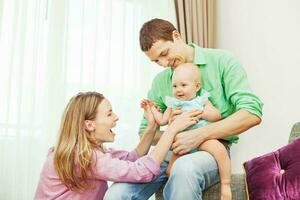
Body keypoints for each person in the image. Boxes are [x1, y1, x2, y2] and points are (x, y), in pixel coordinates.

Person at [104, 18, 263, 200]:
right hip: (172, 150)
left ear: (176, 36)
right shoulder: (161, 81)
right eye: (156, 61)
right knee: (117, 192)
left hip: (211, 149)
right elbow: (146, 134)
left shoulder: (222, 61)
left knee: (183, 169)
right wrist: (168, 130)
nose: (163, 64)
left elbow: (252, 112)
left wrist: (199, 135)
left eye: (165, 53)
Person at [34, 91, 202, 200]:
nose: (116, 117)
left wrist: (151, 128)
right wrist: (171, 130)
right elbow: (141, 171)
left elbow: (131, 158)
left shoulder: (84, 151)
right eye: (109, 114)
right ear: (89, 125)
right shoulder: (84, 157)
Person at [144, 63, 232, 199]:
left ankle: (226, 185)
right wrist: (153, 110)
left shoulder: (201, 100)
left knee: (219, 149)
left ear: (196, 87)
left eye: (183, 85)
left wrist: (201, 113)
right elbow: (162, 120)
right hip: (180, 144)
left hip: (202, 139)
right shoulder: (173, 104)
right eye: (175, 86)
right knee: (170, 171)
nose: (178, 90)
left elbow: (216, 116)